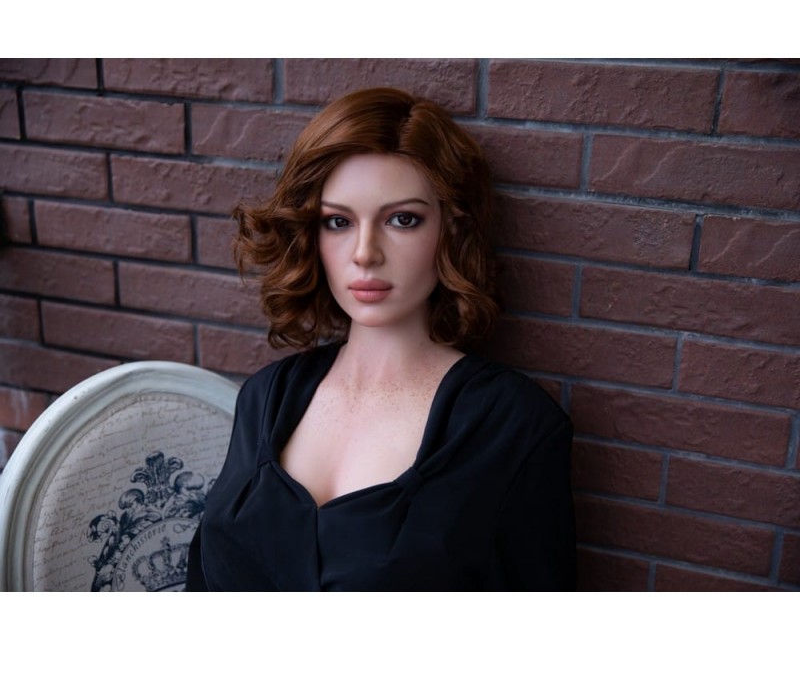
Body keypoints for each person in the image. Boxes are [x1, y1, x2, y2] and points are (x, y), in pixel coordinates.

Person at [186, 87, 576, 591]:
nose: (365, 252)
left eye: (402, 220)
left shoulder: (513, 426)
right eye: (338, 222)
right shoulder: (264, 397)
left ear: (452, 230)